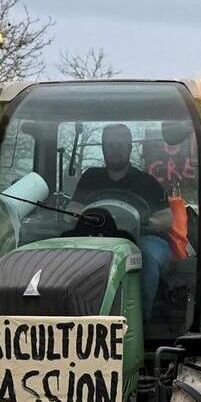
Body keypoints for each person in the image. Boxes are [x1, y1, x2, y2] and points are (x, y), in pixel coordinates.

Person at [70, 123, 171, 319]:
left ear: (130, 147)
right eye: (109, 144)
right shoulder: (90, 178)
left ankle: (141, 322)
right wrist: (85, 214)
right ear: (103, 148)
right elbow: (72, 208)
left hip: (143, 239)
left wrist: (146, 221)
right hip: (96, 238)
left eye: (119, 144)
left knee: (145, 258)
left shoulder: (147, 181)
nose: (114, 149)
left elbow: (167, 218)